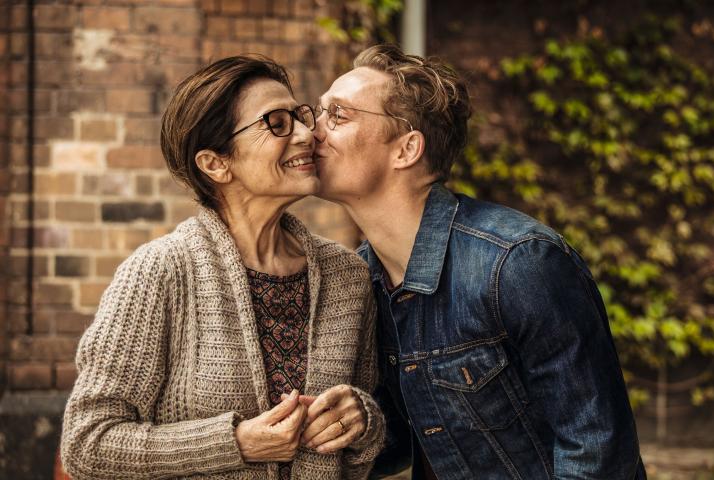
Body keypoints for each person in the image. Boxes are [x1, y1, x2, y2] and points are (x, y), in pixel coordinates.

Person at [312, 44, 646, 479]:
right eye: (316, 113)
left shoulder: (518, 264)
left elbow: (597, 456)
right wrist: (359, 421)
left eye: (337, 115)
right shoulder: (362, 280)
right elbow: (412, 439)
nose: (311, 132)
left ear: (406, 149)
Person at [61, 55, 384, 480]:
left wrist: (362, 420)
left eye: (300, 116)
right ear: (216, 163)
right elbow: (87, 445)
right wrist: (236, 444)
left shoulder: (348, 276)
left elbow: (366, 443)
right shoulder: (160, 272)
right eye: (277, 122)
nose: (307, 134)